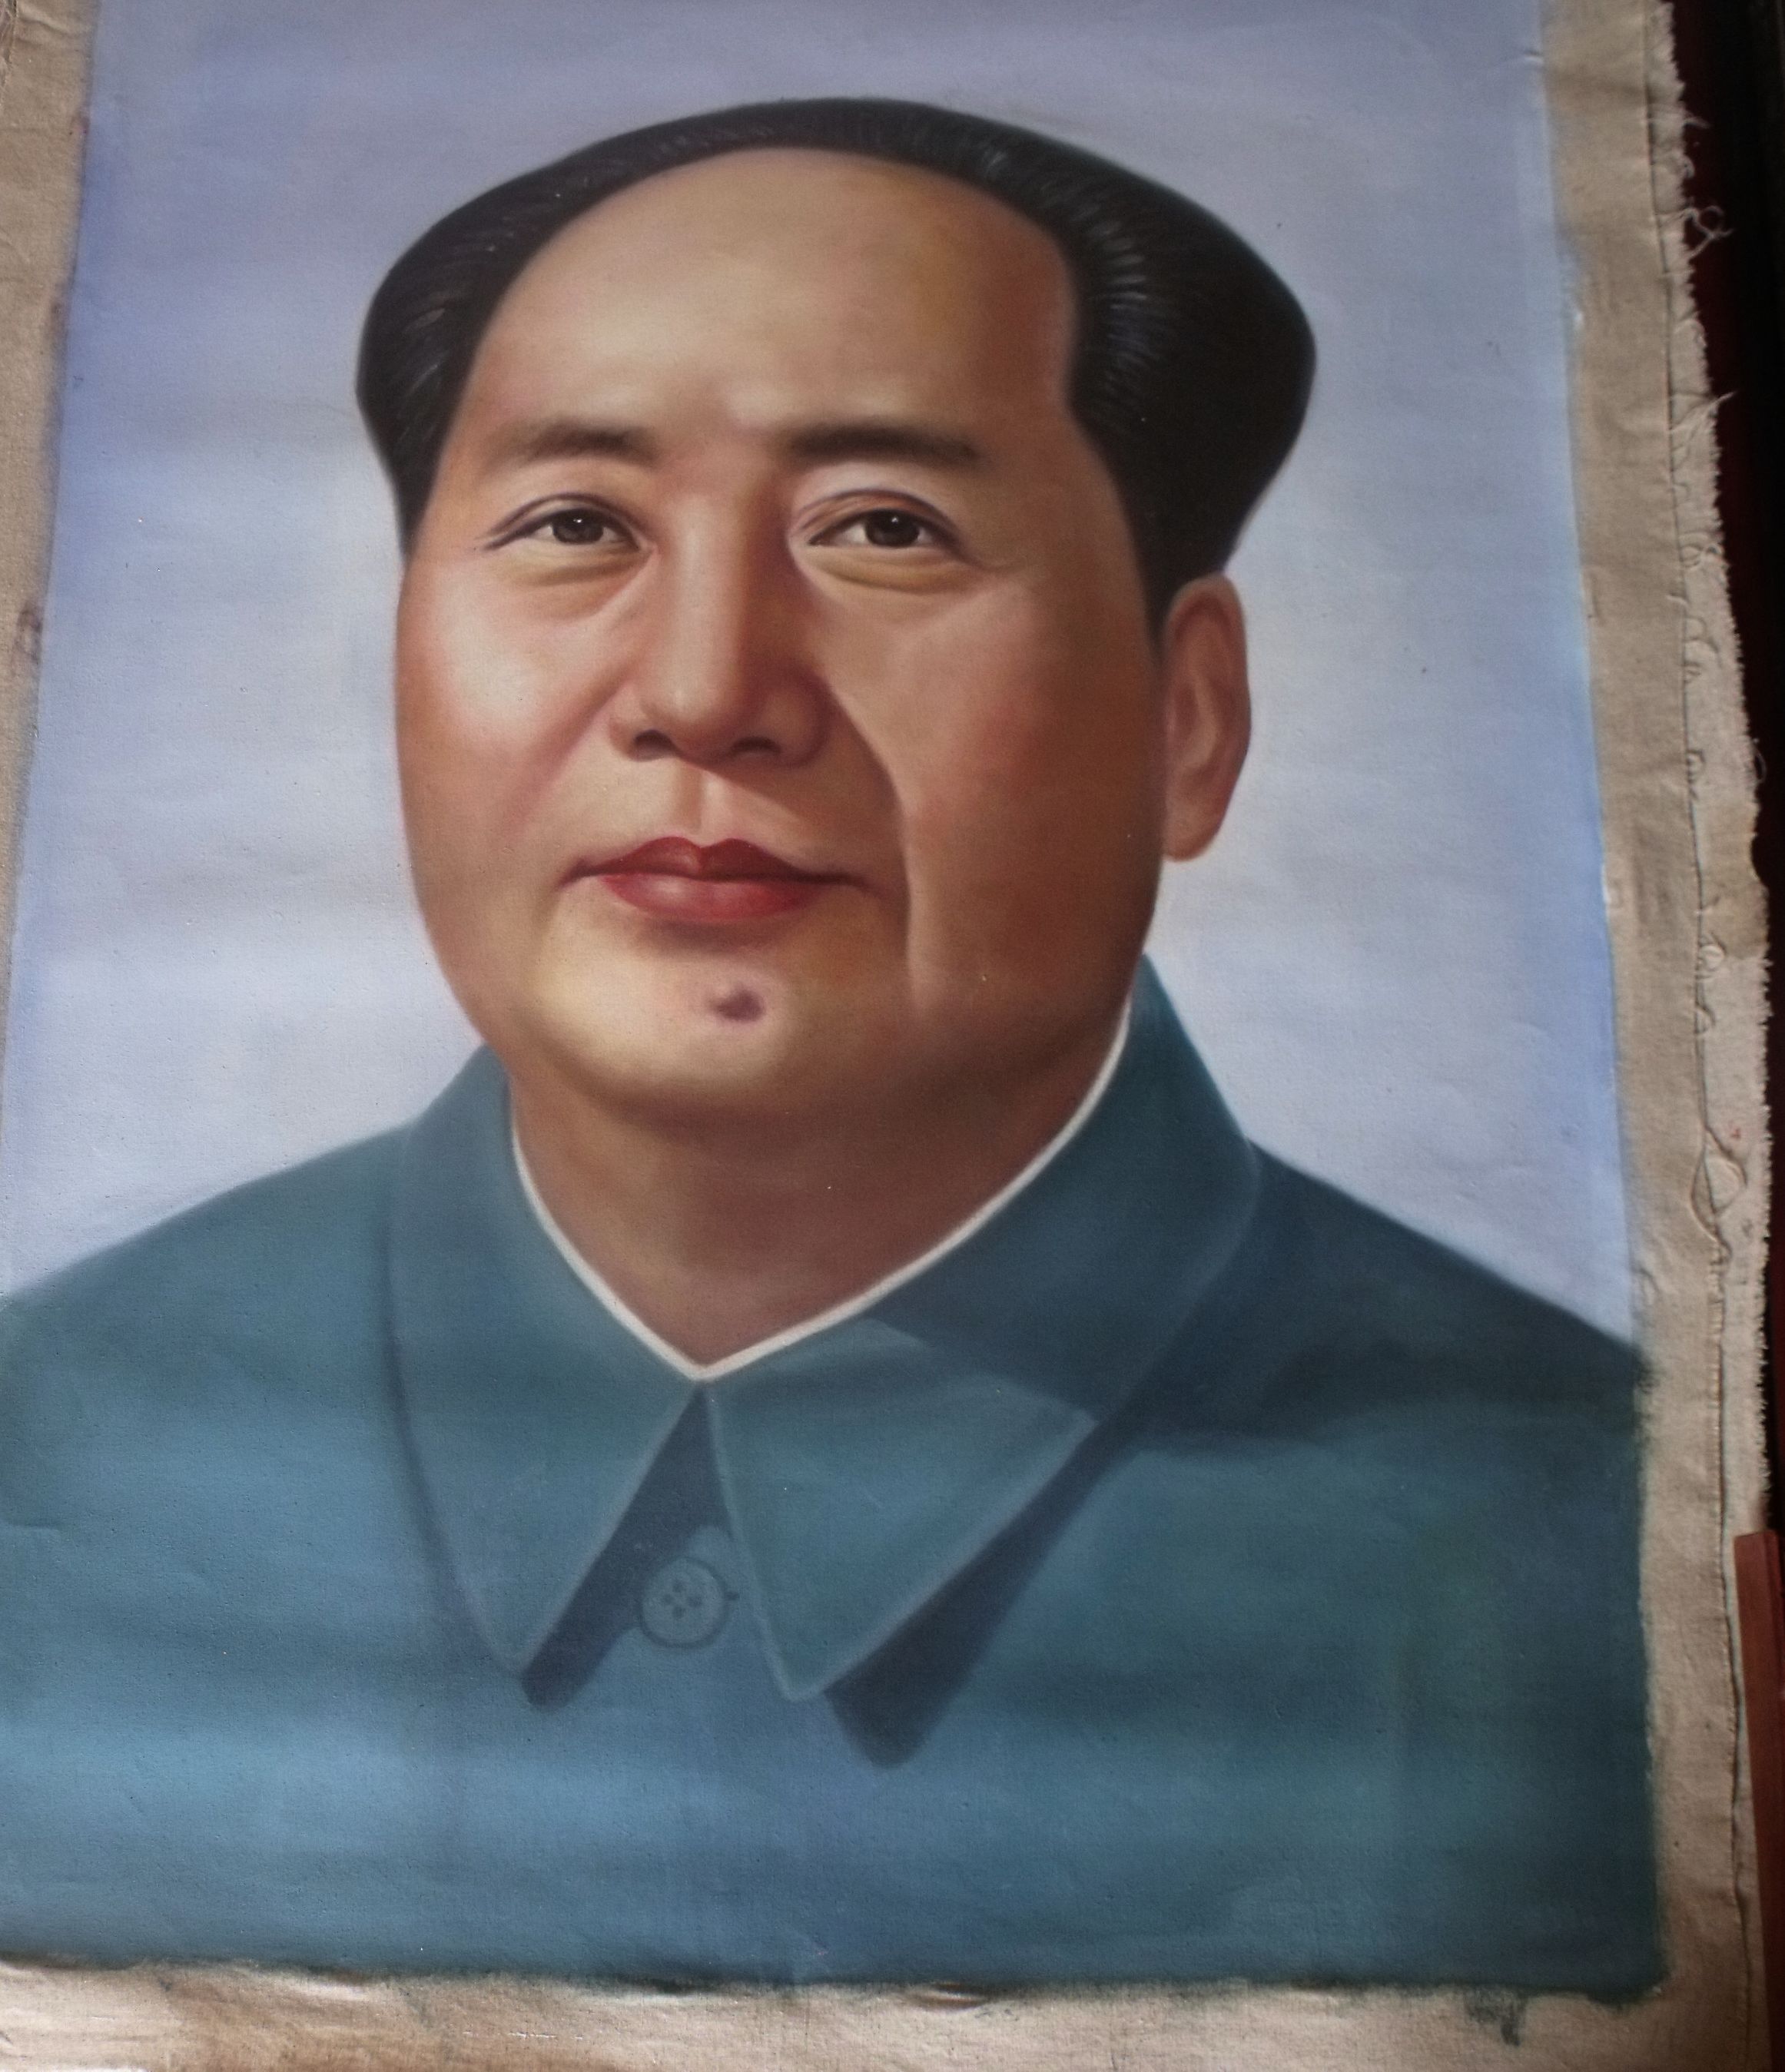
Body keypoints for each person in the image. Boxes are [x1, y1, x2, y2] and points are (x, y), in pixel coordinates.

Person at [0, 98, 1656, 1989]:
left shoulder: (1589, 1550)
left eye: (884, 528)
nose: (705, 689)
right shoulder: (44, 1442)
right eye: (574, 525)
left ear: (1188, 718)